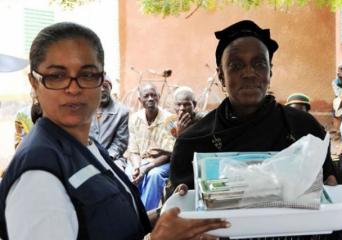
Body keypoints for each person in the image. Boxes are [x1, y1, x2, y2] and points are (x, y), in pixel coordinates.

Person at [0, 22, 230, 240]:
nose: (73, 88)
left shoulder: (87, 146)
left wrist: (167, 214)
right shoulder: (38, 177)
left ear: (102, 81)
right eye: (56, 76)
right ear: (34, 82)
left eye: (87, 74)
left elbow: (113, 225)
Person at [170, 19, 337, 205]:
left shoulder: (305, 129)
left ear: (270, 72)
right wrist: (183, 204)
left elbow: (330, 196)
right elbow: (181, 214)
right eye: (236, 65)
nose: (249, 73)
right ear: (221, 76)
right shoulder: (193, 143)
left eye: (259, 64)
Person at [126, 83, 175, 211]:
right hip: (139, 161)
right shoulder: (134, 118)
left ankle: (146, 217)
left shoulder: (170, 120)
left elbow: (169, 153)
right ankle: (131, 213)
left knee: (154, 175)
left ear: (158, 97)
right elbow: (133, 150)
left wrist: (146, 168)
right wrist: (137, 167)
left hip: (161, 163)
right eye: (146, 96)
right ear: (140, 100)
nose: (150, 98)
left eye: (153, 95)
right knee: (129, 175)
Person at [89, 74, 129, 170]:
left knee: (117, 174)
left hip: (112, 158)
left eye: (105, 86)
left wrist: (107, 157)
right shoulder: (84, 109)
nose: (102, 90)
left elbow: (120, 142)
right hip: (87, 156)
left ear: (110, 89)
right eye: (99, 87)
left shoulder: (122, 112)